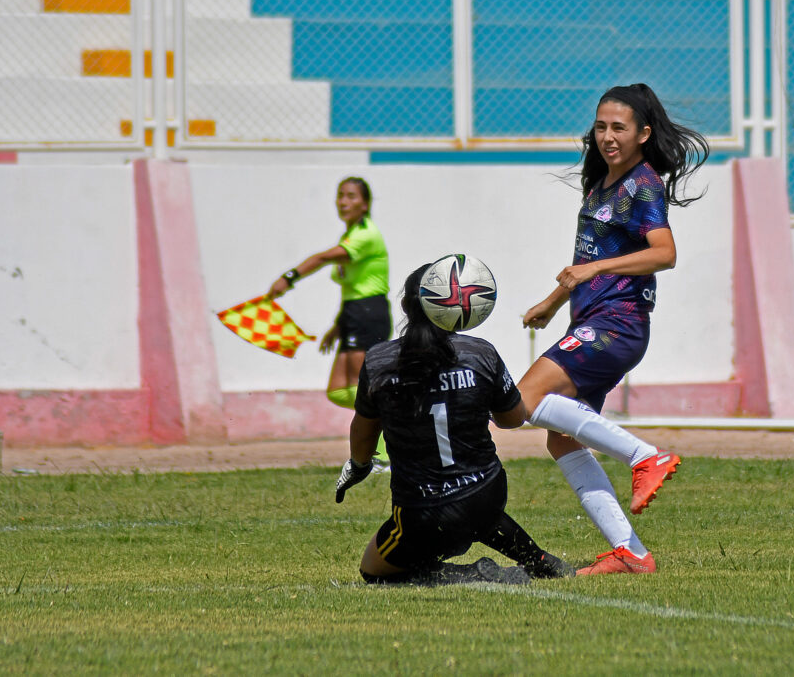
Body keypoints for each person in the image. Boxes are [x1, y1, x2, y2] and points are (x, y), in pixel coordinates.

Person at [517, 83, 710, 575]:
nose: (607, 136)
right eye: (601, 126)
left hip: (618, 324)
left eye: (618, 128)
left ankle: (646, 456)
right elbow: (588, 260)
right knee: (561, 438)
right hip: (596, 322)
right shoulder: (601, 184)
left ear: (643, 134)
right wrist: (552, 301)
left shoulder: (643, 184)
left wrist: (592, 274)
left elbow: (664, 253)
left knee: (525, 401)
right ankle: (631, 553)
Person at [333, 264, 575, 585]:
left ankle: (469, 574)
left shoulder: (379, 360)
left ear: (406, 306)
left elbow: (363, 431)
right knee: (477, 511)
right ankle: (541, 561)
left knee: (373, 570)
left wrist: (359, 466)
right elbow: (513, 419)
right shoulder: (480, 353)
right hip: (487, 492)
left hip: (423, 513)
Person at [268, 176, 392, 464]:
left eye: (351, 196)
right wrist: (338, 326)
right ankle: (398, 412)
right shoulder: (349, 236)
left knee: (367, 390)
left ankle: (385, 456)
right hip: (352, 314)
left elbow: (323, 258)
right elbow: (350, 286)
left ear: (365, 204)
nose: (344, 201)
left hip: (368, 313)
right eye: (340, 195)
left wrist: (290, 277)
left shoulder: (366, 234)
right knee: (338, 391)